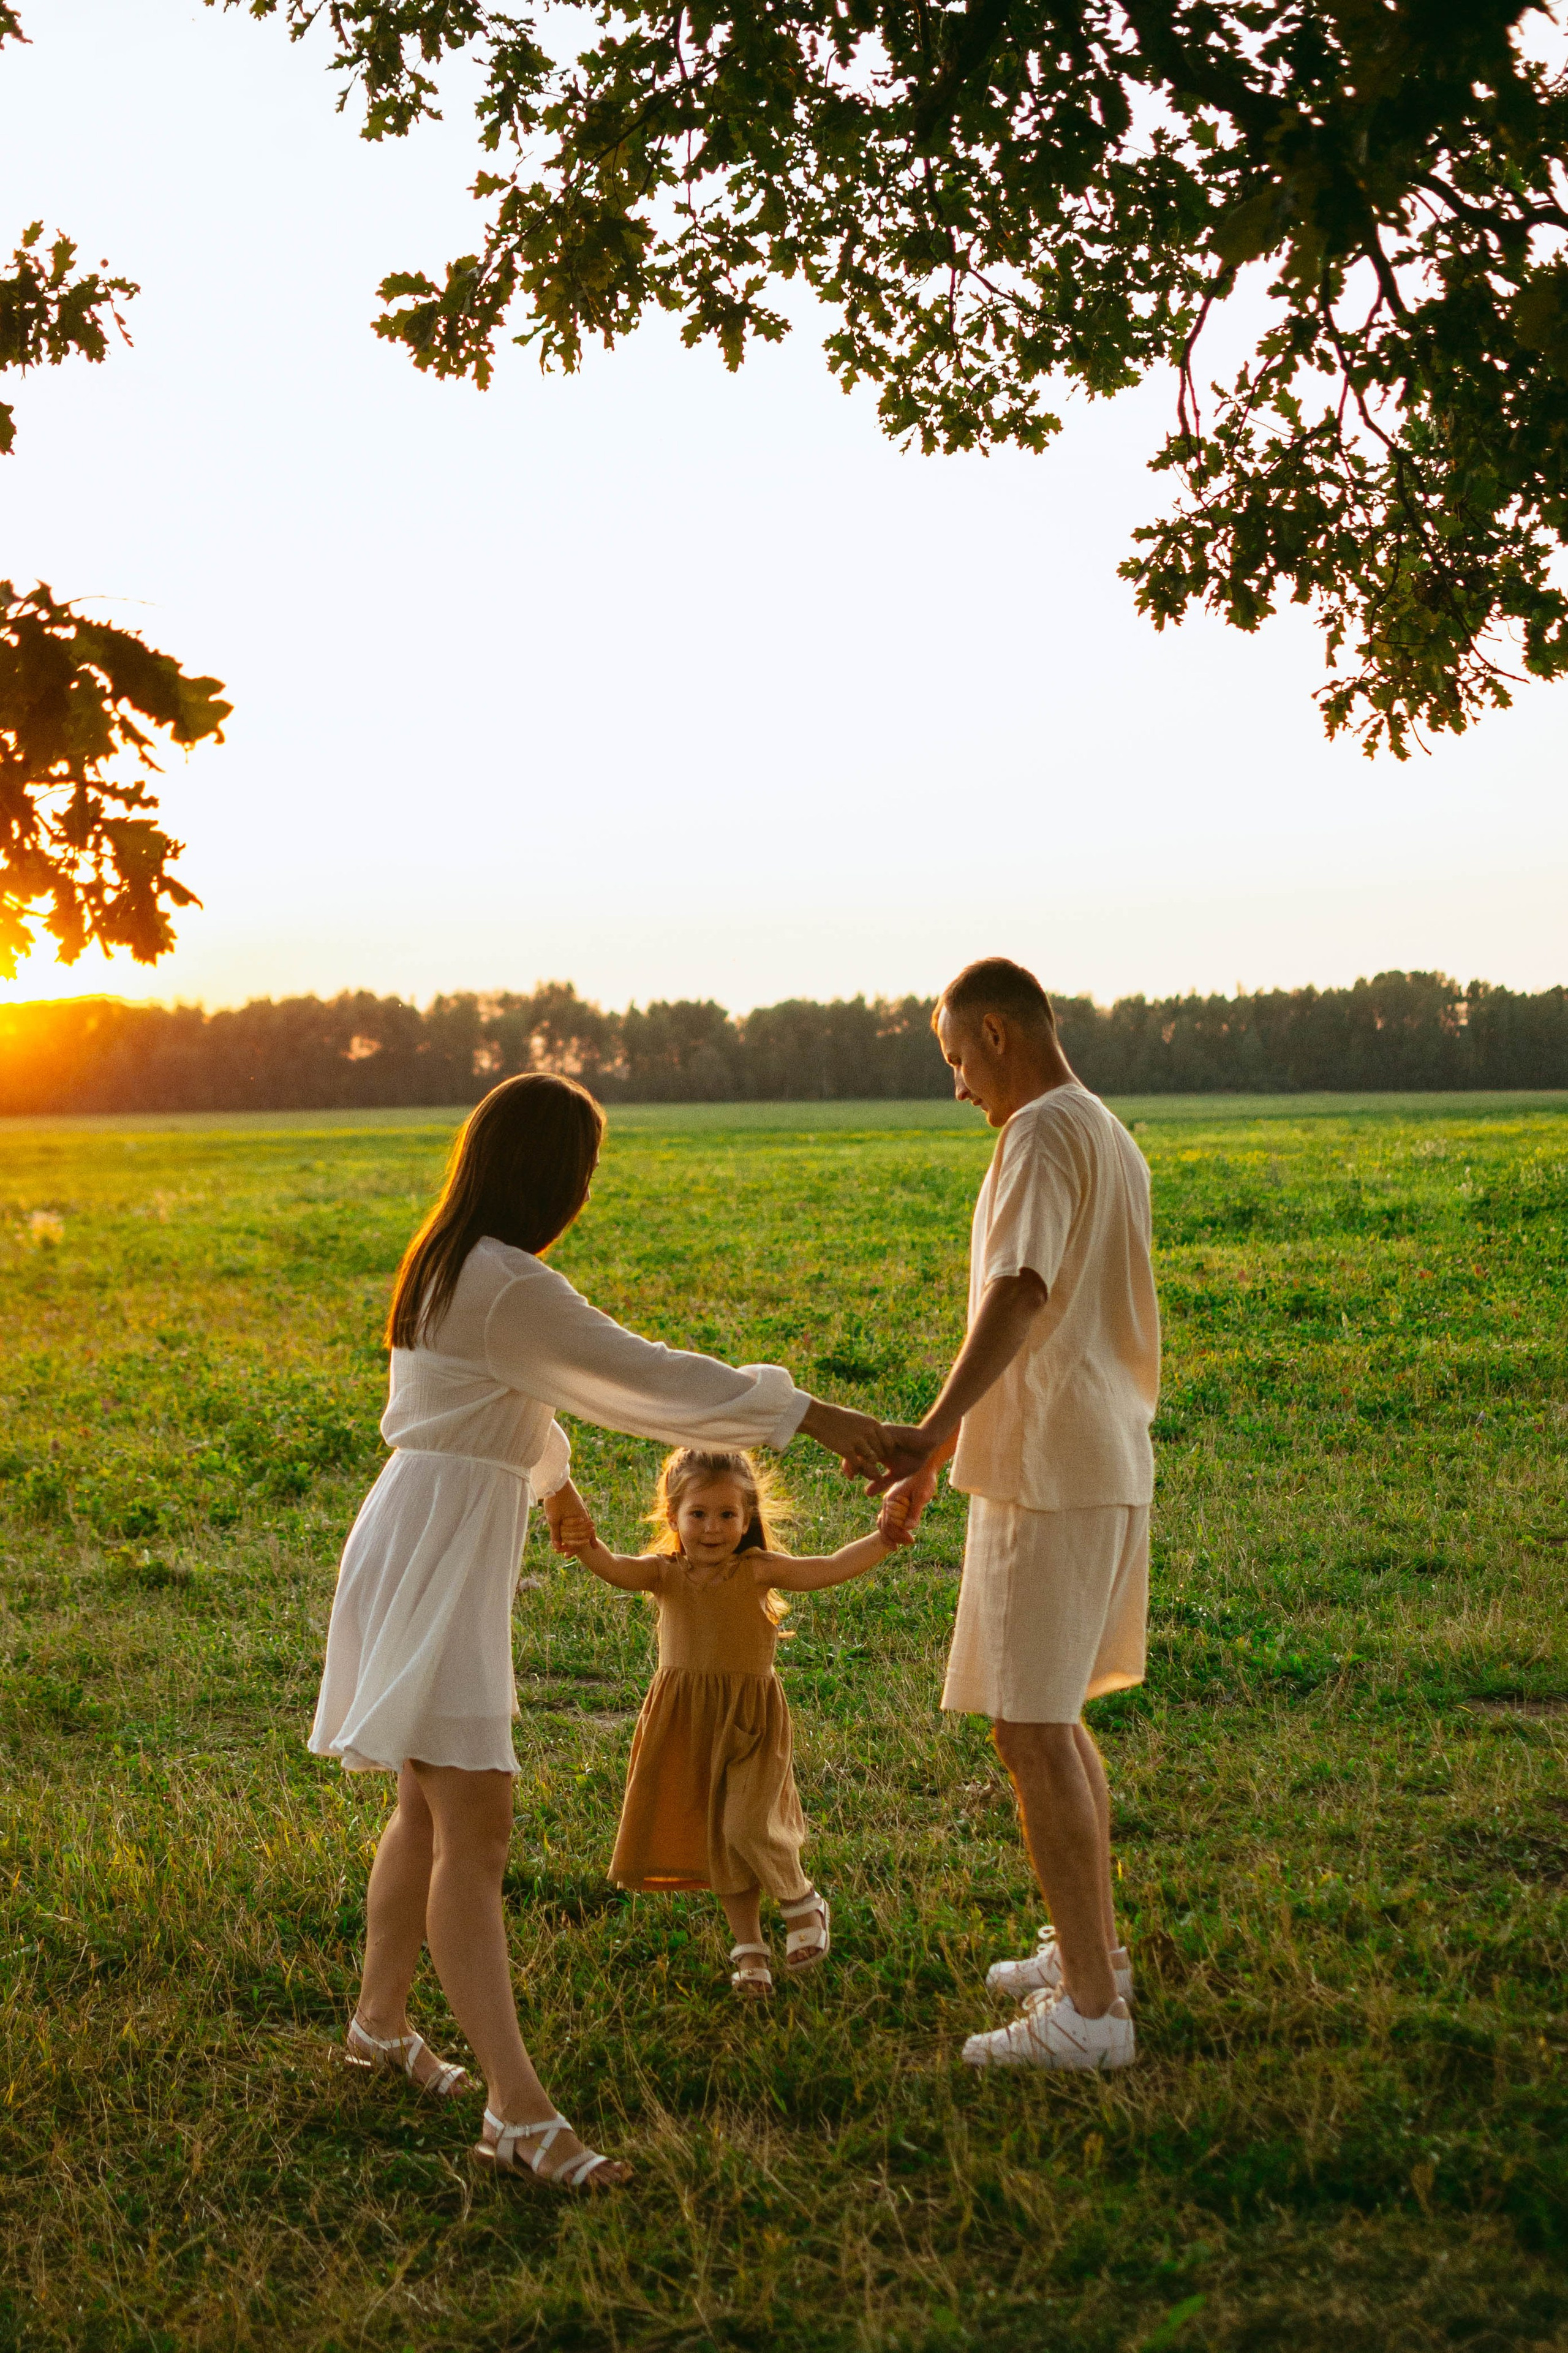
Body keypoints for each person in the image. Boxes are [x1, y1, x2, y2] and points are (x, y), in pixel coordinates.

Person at [308, 1074, 892, 2189]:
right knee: (471, 1829)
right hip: (434, 1550)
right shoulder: (506, 1281)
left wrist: (555, 1487)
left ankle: (380, 2026)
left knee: (426, 1810)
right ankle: (518, 2115)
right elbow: (646, 1379)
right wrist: (819, 1415)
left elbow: (490, 1402)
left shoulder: (451, 1259)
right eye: (585, 1167)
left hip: (421, 1531)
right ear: (555, 1174)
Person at [876, 957, 1159, 2073]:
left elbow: (1021, 1291)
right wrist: (943, 1446)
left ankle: (1091, 2014)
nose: (956, 1088)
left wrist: (927, 1425)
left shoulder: (1040, 1132)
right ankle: (1094, 1953)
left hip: (1050, 1465)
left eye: (954, 1058)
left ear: (997, 1033)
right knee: (1052, 1714)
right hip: (1093, 1452)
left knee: (1031, 1728)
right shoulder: (1105, 1128)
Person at [556, 1446, 906, 1996]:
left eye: (727, 1515)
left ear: (747, 1520)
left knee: (746, 1824)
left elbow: (827, 1568)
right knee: (719, 1838)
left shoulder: (756, 1570)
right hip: (687, 1722)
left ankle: (800, 1901)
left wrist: (883, 1540)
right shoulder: (664, 1574)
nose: (713, 1528)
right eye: (698, 1514)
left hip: (750, 1722)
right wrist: (583, 1542)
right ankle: (749, 1948)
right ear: (673, 1517)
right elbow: (614, 1567)